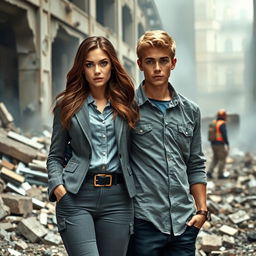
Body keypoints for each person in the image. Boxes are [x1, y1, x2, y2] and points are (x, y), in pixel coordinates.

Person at [47, 36, 139, 256]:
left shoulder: (128, 104)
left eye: (103, 63)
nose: (97, 70)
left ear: (112, 66)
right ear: (82, 68)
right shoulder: (67, 105)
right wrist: (59, 188)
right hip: (77, 196)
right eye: (90, 64)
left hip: (119, 200)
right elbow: (55, 156)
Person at [126, 30, 208, 256]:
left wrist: (201, 211)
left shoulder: (191, 111)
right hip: (145, 222)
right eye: (150, 62)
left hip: (184, 223)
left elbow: (195, 163)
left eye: (163, 61)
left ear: (173, 63)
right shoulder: (127, 109)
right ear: (140, 64)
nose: (157, 68)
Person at [208, 109, 229, 179]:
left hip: (213, 144)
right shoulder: (222, 124)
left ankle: (209, 172)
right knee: (222, 159)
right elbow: (224, 134)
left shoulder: (214, 122)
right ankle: (220, 174)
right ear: (224, 116)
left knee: (215, 158)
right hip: (220, 144)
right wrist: (227, 143)